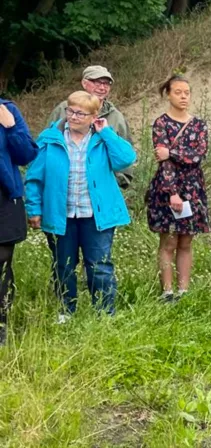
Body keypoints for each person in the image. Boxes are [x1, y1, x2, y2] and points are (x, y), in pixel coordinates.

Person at [26, 91, 136, 321]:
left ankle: (104, 313)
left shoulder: (102, 139)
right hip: (60, 214)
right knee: (63, 265)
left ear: (94, 116)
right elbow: (35, 176)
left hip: (95, 215)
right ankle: (66, 311)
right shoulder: (50, 138)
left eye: (80, 113)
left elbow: (126, 158)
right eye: (70, 110)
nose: (73, 116)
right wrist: (34, 209)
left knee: (99, 265)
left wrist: (106, 131)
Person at [146, 76, 209, 302]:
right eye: (178, 92)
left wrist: (171, 153)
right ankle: (167, 291)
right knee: (169, 240)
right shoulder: (161, 123)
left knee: (186, 241)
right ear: (169, 95)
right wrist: (172, 192)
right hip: (167, 186)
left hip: (193, 187)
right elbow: (164, 162)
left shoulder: (199, 125)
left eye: (187, 92)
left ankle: (184, 290)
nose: (183, 96)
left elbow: (198, 156)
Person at [47, 65, 134, 188]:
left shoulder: (116, 117)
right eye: (97, 83)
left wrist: (117, 181)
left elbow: (126, 153)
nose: (102, 88)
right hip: (63, 184)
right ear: (84, 83)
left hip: (102, 188)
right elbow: (47, 144)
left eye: (107, 83)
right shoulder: (63, 109)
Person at [0, 98, 38, 345]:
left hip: (4, 199)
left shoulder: (8, 110)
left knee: (2, 263)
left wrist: (11, 126)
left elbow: (26, 155)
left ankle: (0, 325)